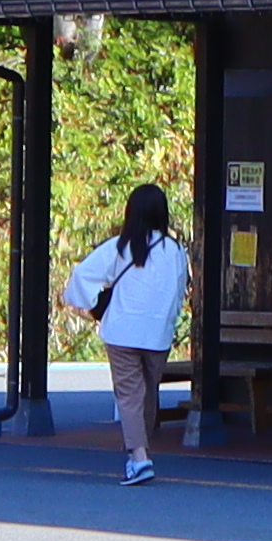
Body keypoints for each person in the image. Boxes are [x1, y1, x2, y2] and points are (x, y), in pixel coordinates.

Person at [70, 183, 190, 483]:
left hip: (122, 331)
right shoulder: (175, 251)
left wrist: (85, 306)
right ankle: (139, 452)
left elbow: (82, 275)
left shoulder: (121, 246)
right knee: (148, 393)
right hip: (158, 333)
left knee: (129, 395)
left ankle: (139, 457)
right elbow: (179, 293)